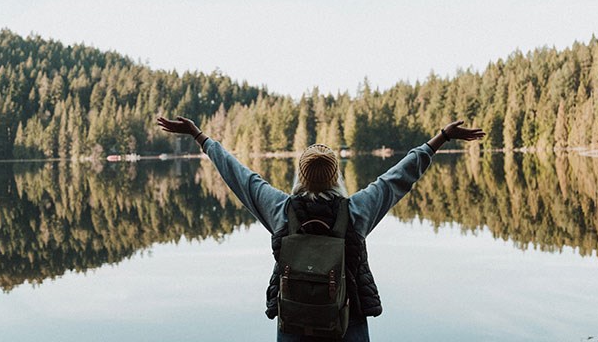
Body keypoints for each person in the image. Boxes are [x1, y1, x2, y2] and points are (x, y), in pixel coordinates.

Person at [157, 116, 485, 341]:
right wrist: (441, 137)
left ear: (300, 176)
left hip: (295, 318)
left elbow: (238, 175)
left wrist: (199, 136)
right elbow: (400, 176)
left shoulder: (281, 210)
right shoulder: (356, 210)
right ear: (335, 177)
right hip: (348, 317)